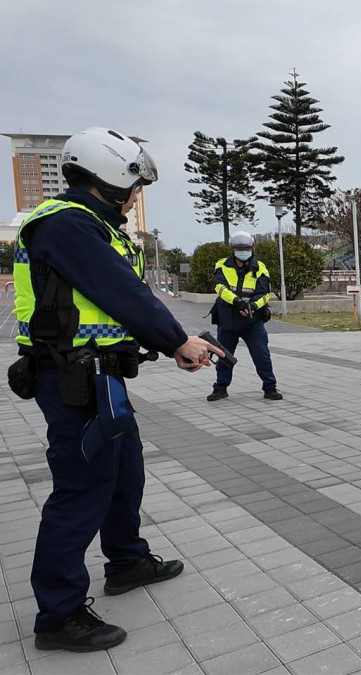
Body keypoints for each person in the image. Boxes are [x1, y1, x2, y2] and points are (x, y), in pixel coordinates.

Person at [9, 127, 223, 652]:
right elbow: (120, 291)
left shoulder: (90, 225)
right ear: (108, 177)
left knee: (125, 469)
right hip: (71, 376)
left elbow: (114, 299)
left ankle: (126, 560)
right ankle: (58, 615)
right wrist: (178, 339)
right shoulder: (66, 225)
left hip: (100, 375)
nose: (135, 195)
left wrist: (169, 343)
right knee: (81, 488)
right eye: (133, 184)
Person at [206, 231, 281, 401]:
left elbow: (264, 294)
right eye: (240, 248)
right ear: (233, 249)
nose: (244, 251)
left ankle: (270, 388)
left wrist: (253, 306)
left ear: (252, 248)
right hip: (228, 319)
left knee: (262, 355)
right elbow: (220, 288)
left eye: (247, 248)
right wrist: (238, 302)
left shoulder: (260, 267)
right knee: (224, 355)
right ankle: (220, 388)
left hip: (252, 320)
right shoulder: (222, 265)